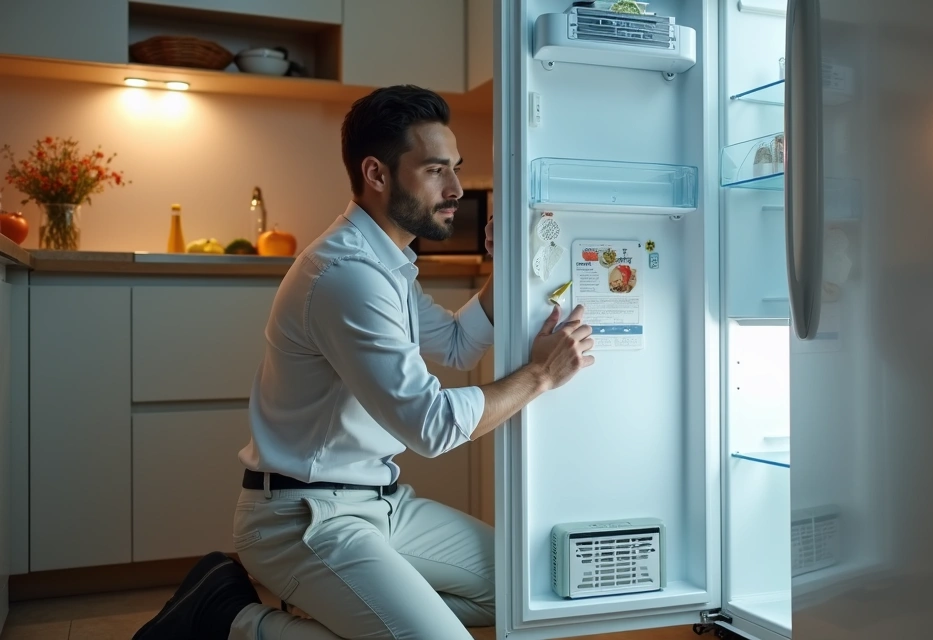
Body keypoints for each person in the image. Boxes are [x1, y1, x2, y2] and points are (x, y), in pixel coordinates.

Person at [133, 85, 596, 640]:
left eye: (455, 168)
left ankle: (337, 610)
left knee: (528, 589)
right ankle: (234, 620)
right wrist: (540, 375)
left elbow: (454, 344)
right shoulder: (347, 275)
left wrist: (505, 270)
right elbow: (432, 427)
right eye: (434, 170)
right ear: (377, 175)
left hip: (382, 505)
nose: (455, 189)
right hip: (302, 520)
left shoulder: (386, 261)